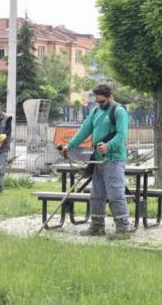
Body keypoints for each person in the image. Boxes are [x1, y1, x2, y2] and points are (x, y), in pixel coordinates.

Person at [60, 84, 131, 240]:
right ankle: (97, 227)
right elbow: (84, 130)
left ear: (110, 97)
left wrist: (109, 146)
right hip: (98, 160)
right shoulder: (95, 112)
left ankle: (123, 229)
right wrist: (69, 146)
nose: (100, 104)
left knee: (115, 194)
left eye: (102, 101)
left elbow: (122, 135)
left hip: (114, 159)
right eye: (97, 101)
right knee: (96, 194)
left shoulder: (119, 112)